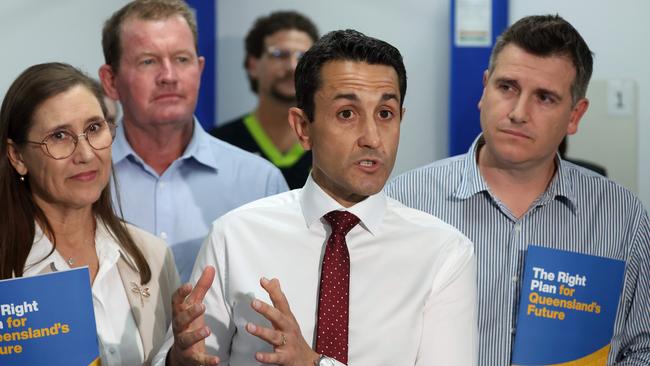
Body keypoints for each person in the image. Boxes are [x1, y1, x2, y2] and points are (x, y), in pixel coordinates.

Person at [153, 29, 477, 366]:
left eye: (385, 114)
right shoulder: (234, 236)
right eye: (347, 114)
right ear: (303, 128)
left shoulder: (443, 253)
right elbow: (192, 356)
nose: (372, 138)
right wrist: (179, 359)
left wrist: (313, 364)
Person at [386, 15, 650, 365]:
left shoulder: (621, 216)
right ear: (485, 88)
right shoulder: (405, 200)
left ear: (575, 115)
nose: (519, 113)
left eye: (544, 98)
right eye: (507, 87)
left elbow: (642, 348)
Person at [0, 62, 180, 365]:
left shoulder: (152, 255)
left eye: (94, 128)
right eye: (59, 136)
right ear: (18, 157)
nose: (85, 154)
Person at [98, 0, 288, 282]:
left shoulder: (259, 183)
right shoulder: (82, 177)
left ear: (199, 70)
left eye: (181, 59)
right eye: (148, 61)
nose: (169, 77)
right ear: (111, 81)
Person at [211, 11, 319, 189]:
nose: (292, 66)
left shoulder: (330, 140)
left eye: (302, 57)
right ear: (253, 65)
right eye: (279, 54)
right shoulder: (219, 143)